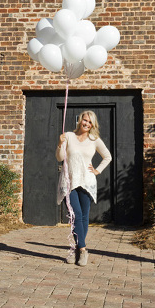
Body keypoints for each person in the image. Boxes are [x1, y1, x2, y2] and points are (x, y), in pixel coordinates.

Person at [55, 110, 112, 266]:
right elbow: (60, 158)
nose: (86, 123)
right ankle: (83, 250)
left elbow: (108, 156)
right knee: (75, 215)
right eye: (85, 120)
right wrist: (60, 144)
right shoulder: (68, 136)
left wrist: (97, 170)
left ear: (93, 125)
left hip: (87, 181)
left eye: (90, 122)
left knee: (84, 217)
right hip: (70, 181)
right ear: (80, 120)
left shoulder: (94, 139)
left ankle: (76, 250)